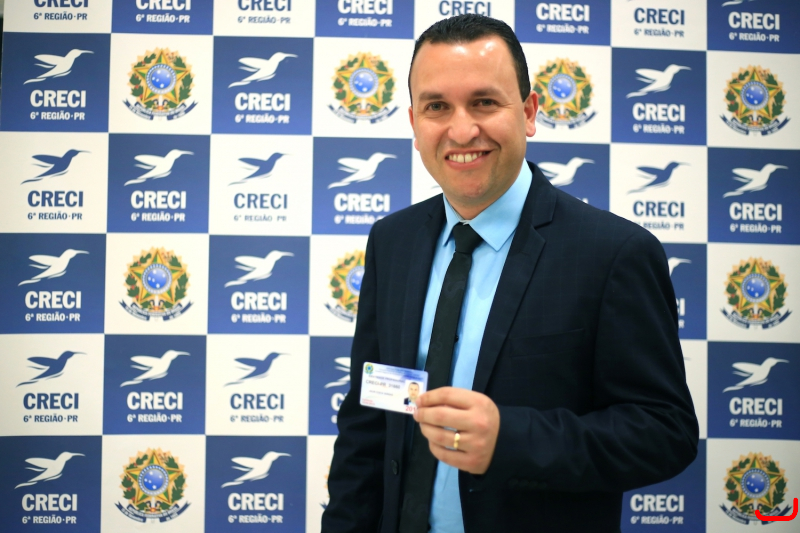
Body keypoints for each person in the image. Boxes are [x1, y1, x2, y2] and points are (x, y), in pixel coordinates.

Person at [322, 14, 698, 533]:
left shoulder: (615, 253)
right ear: (414, 124)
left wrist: (512, 440)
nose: (461, 130)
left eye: (484, 102)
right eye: (437, 107)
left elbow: (665, 432)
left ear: (528, 112)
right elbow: (369, 421)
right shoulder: (393, 242)